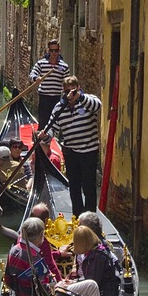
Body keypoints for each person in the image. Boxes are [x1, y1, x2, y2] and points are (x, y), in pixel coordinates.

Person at [40, 75, 102, 217]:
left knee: (89, 187)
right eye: (67, 91)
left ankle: (90, 219)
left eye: (73, 90)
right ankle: (77, 218)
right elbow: (52, 129)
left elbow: (98, 106)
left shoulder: (88, 102)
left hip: (89, 152)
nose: (70, 94)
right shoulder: (59, 108)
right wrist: (44, 135)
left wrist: (79, 97)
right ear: (63, 91)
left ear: (78, 88)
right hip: (71, 153)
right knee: (74, 188)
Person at [58, 223, 121, 296]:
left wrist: (73, 283)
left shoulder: (98, 257)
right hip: (99, 290)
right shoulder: (93, 252)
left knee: (63, 289)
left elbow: (93, 282)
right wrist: (73, 281)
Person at [4, 217, 56, 296]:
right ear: (40, 236)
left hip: (19, 294)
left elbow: (7, 278)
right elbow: (43, 289)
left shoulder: (13, 250)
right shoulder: (35, 258)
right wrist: (56, 285)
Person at [29, 40, 70, 129]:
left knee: (55, 121)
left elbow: (68, 82)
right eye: (52, 51)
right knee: (43, 121)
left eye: (56, 50)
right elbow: (32, 74)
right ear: (48, 50)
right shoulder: (41, 63)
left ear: (59, 50)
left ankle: (54, 139)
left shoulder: (64, 66)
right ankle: (40, 139)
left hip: (57, 97)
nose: (54, 53)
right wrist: (36, 78)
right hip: (44, 96)